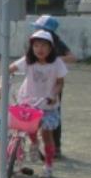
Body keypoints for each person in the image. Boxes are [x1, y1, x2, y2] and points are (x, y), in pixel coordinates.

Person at [9, 29, 67, 178]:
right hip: (28, 101)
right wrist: (5, 81)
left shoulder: (56, 63)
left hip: (47, 104)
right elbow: (10, 69)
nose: (39, 49)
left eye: (43, 46)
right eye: (36, 46)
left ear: (50, 48)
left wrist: (54, 95)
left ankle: (48, 166)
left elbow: (60, 83)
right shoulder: (28, 61)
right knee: (28, 128)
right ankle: (34, 143)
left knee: (47, 134)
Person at [32, 14, 76, 157]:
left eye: (39, 28)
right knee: (33, 113)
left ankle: (55, 146)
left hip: (54, 83)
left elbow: (72, 57)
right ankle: (38, 145)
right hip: (37, 85)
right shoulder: (36, 42)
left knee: (52, 115)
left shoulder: (56, 43)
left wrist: (54, 58)